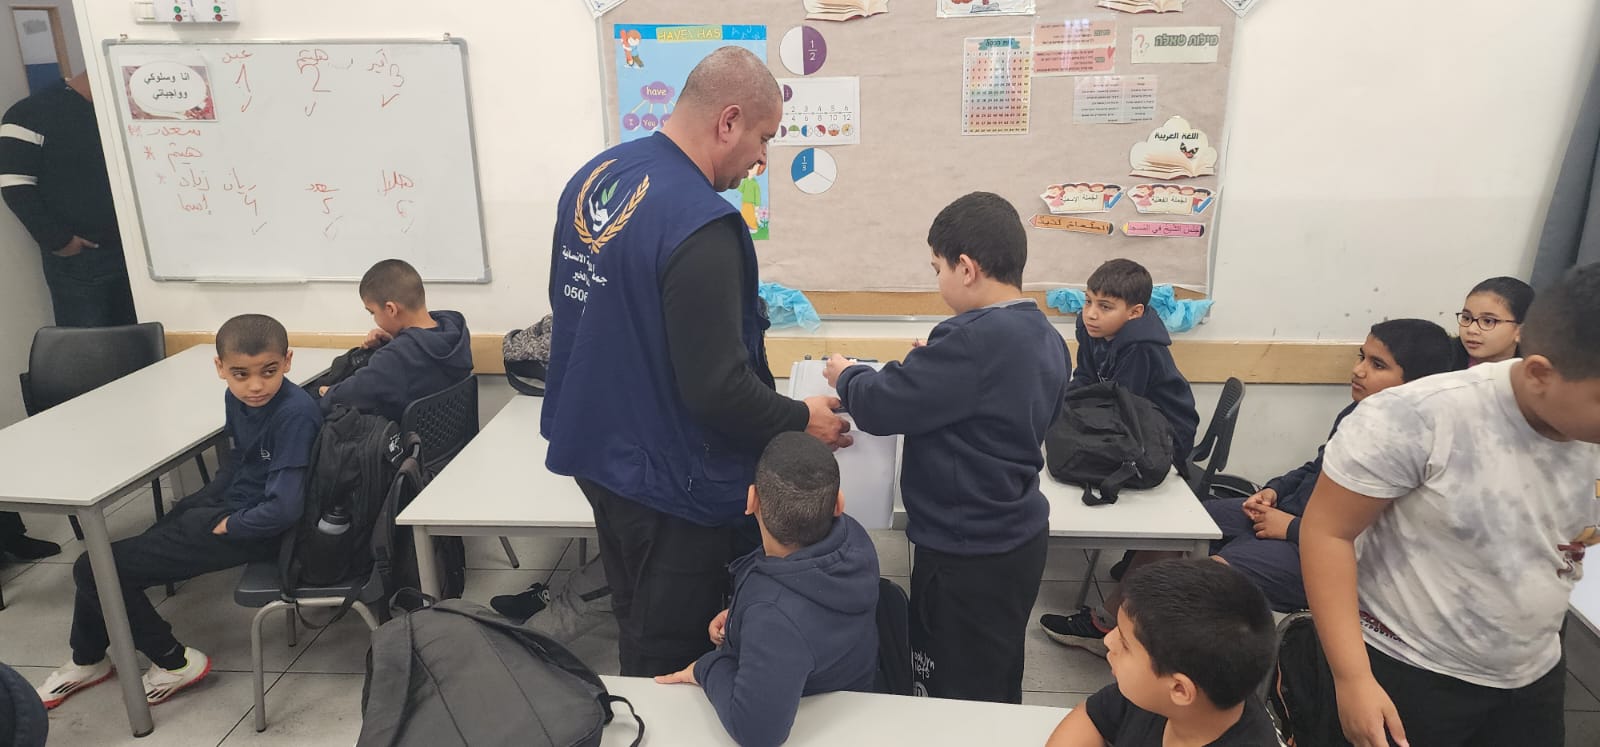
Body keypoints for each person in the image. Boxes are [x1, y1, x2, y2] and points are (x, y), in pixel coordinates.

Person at [542, 46, 851, 677]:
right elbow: (718, 390)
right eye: (764, 138)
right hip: (669, 485)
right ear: (728, 121)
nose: (762, 159)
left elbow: (578, 310)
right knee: (674, 652)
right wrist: (802, 419)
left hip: (598, 453)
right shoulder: (702, 225)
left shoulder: (597, 176)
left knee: (633, 610)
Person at [1302, 262, 1600, 747]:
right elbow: (1327, 533)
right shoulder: (1417, 416)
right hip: (1407, 667)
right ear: (1540, 374)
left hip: (1532, 668)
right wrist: (1352, 678)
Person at [822, 191, 1070, 703]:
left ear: (966, 268)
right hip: (1017, 537)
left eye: (937, 268)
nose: (937, 281)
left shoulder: (971, 340)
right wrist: (937, 367)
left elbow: (882, 406)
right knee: (996, 669)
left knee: (948, 683)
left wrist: (847, 374)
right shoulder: (1044, 334)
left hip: (965, 552)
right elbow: (999, 402)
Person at [35, 314, 322, 709]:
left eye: (268, 371)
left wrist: (230, 525)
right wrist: (200, 502)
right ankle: (89, 660)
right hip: (230, 506)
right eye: (240, 374)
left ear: (287, 361)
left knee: (95, 567)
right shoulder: (237, 399)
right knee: (109, 563)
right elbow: (238, 463)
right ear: (220, 368)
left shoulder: (294, 414)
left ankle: (173, 662)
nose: (255, 385)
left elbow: (284, 509)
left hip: (259, 528)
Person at [1210, 319, 1453, 612]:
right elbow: (1317, 466)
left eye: (1377, 365)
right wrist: (1274, 490)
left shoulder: (1412, 446)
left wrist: (1292, 528)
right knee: (1188, 528)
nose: (1358, 370)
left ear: (1416, 384)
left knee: (1210, 579)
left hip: (1322, 553)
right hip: (1291, 518)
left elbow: (1372, 536)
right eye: (1362, 357)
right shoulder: (1357, 413)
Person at [654, 433, 879, 747]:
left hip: (811, 714)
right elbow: (808, 617)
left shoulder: (774, 617)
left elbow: (758, 733)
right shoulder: (854, 538)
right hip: (849, 691)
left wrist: (705, 668)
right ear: (839, 504)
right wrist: (740, 618)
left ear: (752, 500)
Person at [1040, 258, 1199, 651]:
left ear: (1135, 312)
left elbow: (1126, 409)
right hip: (1131, 422)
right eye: (1088, 301)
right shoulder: (1093, 330)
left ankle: (1106, 622)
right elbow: (1085, 380)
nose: (1091, 314)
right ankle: (1136, 565)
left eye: (1105, 306)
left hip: (1162, 435)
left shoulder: (1141, 348)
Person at [1044, 559, 1279, 747]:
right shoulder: (1163, 693)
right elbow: (1092, 717)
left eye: (1125, 643)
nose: (1108, 640)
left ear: (1180, 689)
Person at [0, 72, 135, 328]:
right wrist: (60, 241)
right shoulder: (30, 113)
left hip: (137, 253)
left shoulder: (118, 112)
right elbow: (15, 186)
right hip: (84, 259)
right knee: (89, 344)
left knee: (146, 339)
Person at [317, 258, 473, 424]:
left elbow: (352, 393)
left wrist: (328, 392)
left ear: (391, 309)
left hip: (405, 437)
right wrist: (395, 341)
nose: (374, 319)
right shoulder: (455, 331)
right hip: (447, 433)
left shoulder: (395, 357)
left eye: (372, 312)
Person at [1452, 275, 1535, 368]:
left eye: (1488, 321)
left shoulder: (1535, 371)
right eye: (1466, 318)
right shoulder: (1442, 362)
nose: (1471, 329)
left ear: (1522, 332)